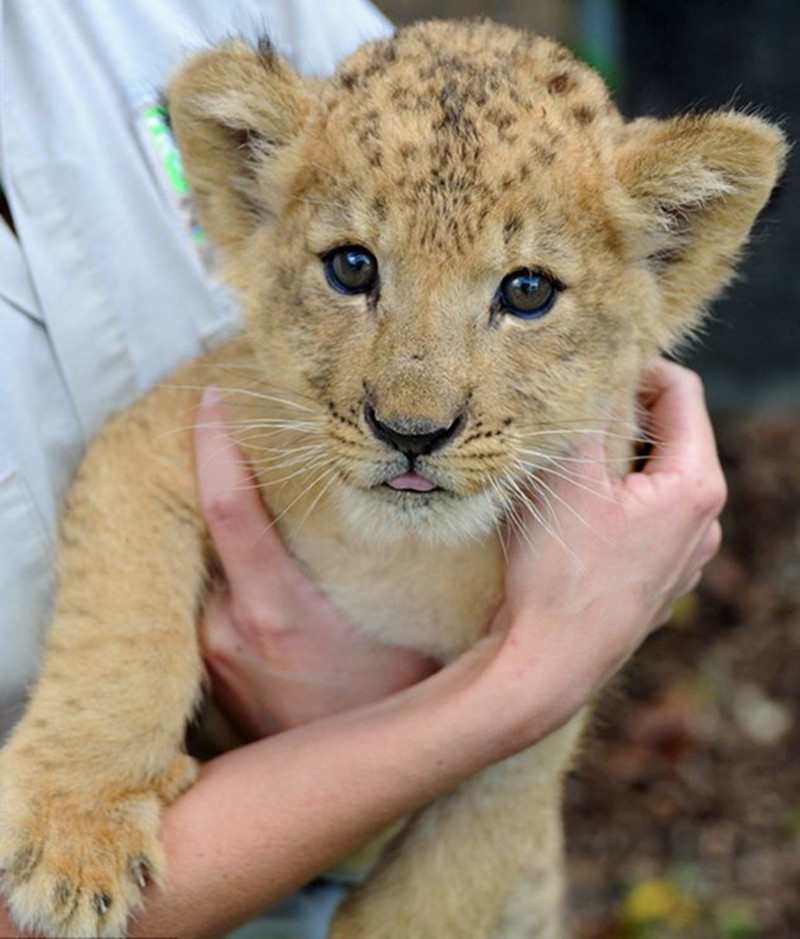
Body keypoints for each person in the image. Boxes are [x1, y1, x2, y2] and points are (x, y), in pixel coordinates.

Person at [0, 1, 725, 937]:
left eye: (526, 288)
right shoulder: (257, 395)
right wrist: (97, 754)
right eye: (352, 266)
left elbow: (508, 783)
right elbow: (147, 464)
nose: (413, 408)